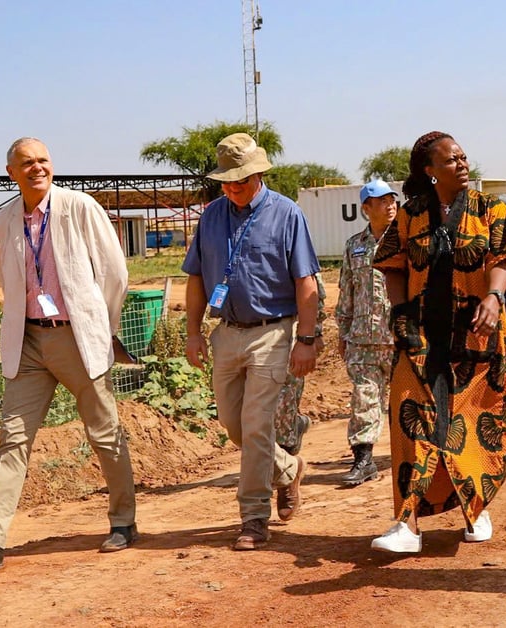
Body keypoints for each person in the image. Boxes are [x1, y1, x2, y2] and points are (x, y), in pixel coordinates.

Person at [0, 137, 137, 570]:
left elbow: (114, 273)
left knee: (104, 431)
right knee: (12, 439)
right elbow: (8, 282)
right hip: (28, 342)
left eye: (43, 160)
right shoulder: (1, 223)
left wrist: (99, 325)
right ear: (10, 172)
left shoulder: (79, 207)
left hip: (77, 337)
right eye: (27, 163)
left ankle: (124, 521)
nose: (37, 168)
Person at [370, 132, 506, 553]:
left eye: (463, 156)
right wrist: (400, 311)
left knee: (472, 424)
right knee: (410, 419)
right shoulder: (411, 214)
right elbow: (392, 266)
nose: (461, 163)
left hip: (477, 337)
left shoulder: (489, 209)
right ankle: (407, 523)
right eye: (451, 159)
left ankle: (475, 509)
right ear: (429, 170)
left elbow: (502, 260)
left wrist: (494, 298)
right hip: (420, 337)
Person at [182, 133, 321, 551]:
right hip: (226, 333)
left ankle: (253, 516)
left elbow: (306, 282)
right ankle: (287, 468)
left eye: (239, 179)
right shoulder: (210, 217)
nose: (231, 187)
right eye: (225, 180)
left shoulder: (287, 214)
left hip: (273, 332)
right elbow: (195, 278)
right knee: (234, 425)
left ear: (258, 174)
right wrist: (193, 332)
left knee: (257, 423)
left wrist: (307, 340)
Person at [334, 180, 398, 486]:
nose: (389, 205)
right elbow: (347, 289)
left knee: (406, 400)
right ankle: (363, 460)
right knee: (364, 398)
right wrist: (343, 331)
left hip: (400, 337)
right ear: (366, 208)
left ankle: (414, 455)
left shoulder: (406, 241)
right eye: (381, 201)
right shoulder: (354, 245)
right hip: (363, 337)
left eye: (391, 199)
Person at [274, 273, 328, 456]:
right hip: (259, 331)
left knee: (285, 390)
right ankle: (293, 428)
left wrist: (315, 333)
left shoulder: (294, 249)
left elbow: (315, 293)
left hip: (293, 329)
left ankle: (286, 447)